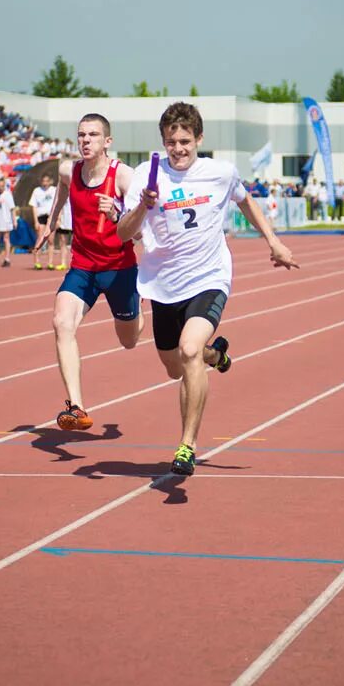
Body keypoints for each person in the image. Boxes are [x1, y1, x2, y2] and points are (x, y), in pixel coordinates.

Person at [116, 102, 300, 476]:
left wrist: (274, 243)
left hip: (209, 278)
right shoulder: (144, 177)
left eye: (185, 141)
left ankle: (187, 445)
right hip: (163, 285)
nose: (178, 149)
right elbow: (123, 233)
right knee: (175, 368)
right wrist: (143, 207)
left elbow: (246, 202)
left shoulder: (219, 173)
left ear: (199, 138)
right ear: (163, 142)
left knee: (188, 351)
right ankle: (216, 356)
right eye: (171, 142)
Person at [37, 114, 145, 430]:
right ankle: (77, 406)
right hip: (83, 265)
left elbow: (140, 231)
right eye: (81, 134)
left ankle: (138, 310)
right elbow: (61, 189)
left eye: (93, 135)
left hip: (119, 268)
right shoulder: (68, 170)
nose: (85, 140)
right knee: (61, 322)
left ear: (107, 141)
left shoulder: (123, 176)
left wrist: (117, 214)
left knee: (129, 341)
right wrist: (51, 220)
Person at [29, 172, 57, 269]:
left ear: (50, 182)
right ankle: (37, 262)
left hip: (51, 217)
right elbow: (34, 206)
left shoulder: (54, 190)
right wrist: (36, 221)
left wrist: (58, 218)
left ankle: (50, 263)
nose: (45, 183)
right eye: (43, 181)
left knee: (51, 240)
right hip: (41, 216)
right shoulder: (37, 191)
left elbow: (58, 204)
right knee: (40, 239)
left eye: (47, 181)